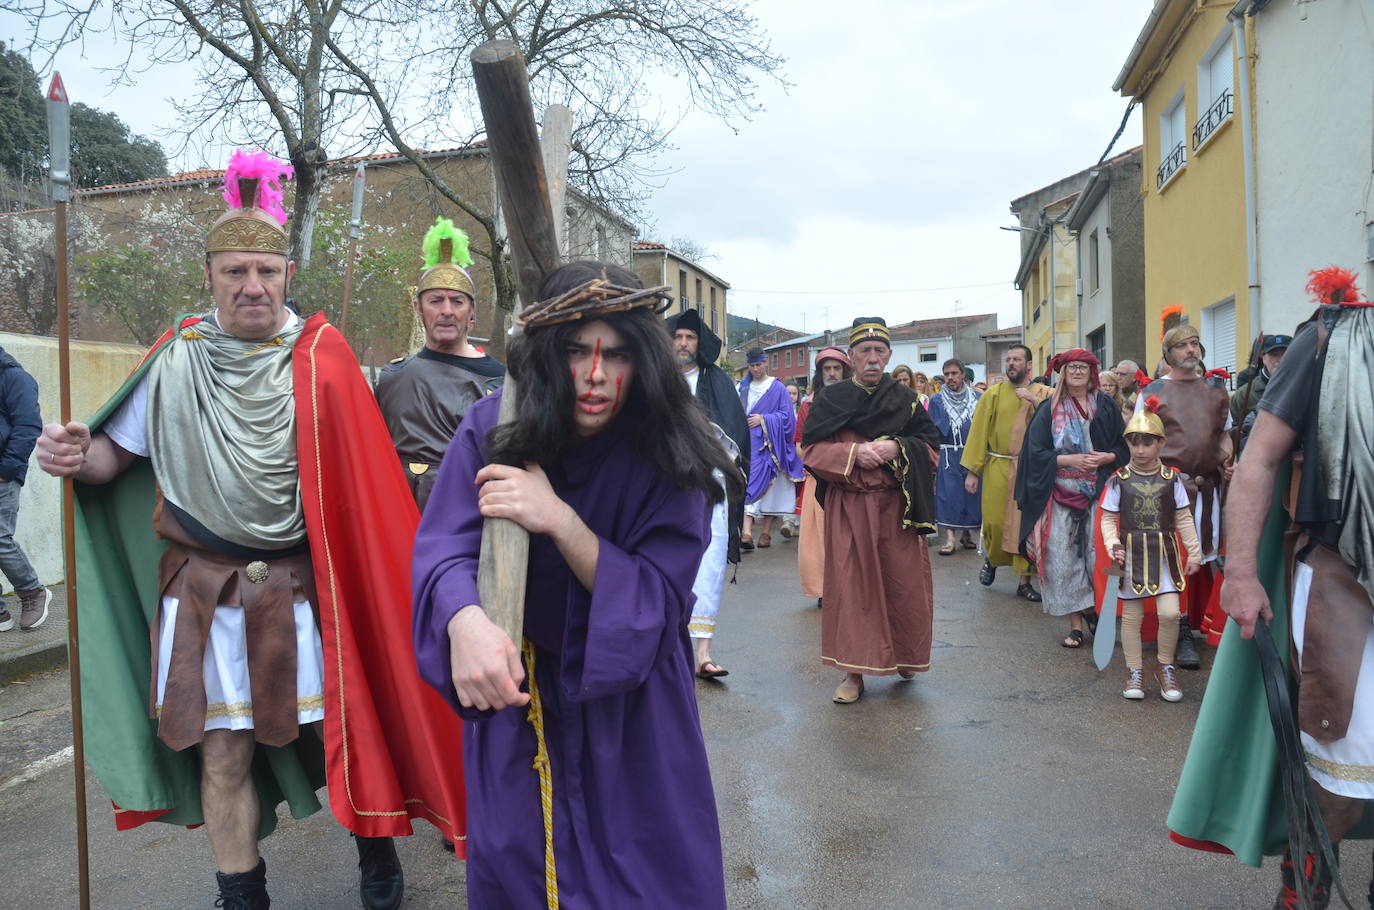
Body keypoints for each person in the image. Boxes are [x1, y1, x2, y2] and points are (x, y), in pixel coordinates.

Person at [35, 151, 464, 910]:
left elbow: (366, 492)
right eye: (235, 272)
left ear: (286, 272)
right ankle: (242, 897)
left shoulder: (324, 359)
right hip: (201, 589)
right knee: (222, 751)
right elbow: (112, 460)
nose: (252, 286)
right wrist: (73, 453)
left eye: (265, 270)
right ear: (210, 275)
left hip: (307, 586)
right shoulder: (176, 359)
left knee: (348, 724)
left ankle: (376, 853)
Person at [412, 262, 735, 908]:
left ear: (642, 360)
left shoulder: (673, 450)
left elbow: (655, 600)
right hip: (522, 711)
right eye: (575, 353)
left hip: (634, 718)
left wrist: (558, 519)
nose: (594, 377)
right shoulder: (489, 429)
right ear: (545, 355)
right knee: (523, 878)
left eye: (615, 356)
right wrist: (463, 620)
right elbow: (444, 547)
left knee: (649, 885)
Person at [1166, 267, 1374, 906]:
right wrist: (1242, 572)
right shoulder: (1329, 342)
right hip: (1343, 575)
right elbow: (1257, 459)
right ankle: (1304, 888)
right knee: (1339, 747)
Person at [800, 318, 939, 704]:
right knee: (853, 588)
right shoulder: (830, 400)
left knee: (903, 586)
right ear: (851, 357)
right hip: (851, 506)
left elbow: (930, 449)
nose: (873, 359)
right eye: (865, 352)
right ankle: (853, 672)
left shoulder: (906, 400)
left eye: (880, 352)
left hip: (898, 507)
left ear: (889, 355)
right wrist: (853, 453)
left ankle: (906, 656)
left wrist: (898, 448)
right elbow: (810, 452)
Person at [374, 218, 505, 511]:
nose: (447, 311)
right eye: (436, 300)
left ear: (472, 312)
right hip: (395, 513)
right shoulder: (392, 377)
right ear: (417, 308)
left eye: (457, 302)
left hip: (464, 515)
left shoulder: (499, 381)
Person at [1135, 321, 1234, 669]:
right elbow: (1140, 442)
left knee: (1204, 556)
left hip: (1208, 489)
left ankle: (1204, 624)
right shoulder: (1153, 392)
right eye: (1183, 346)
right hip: (1170, 489)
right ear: (1169, 354)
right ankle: (1181, 633)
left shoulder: (1216, 391)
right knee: (1173, 559)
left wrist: (1227, 459)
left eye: (1195, 344)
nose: (1191, 350)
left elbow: (1224, 435)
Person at [1016, 350, 1126, 649]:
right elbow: (1035, 453)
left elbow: (1123, 444)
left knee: (1096, 559)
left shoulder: (1105, 406)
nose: (1077, 372)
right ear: (1062, 373)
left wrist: (1109, 456)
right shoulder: (1048, 410)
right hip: (1059, 494)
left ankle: (1095, 611)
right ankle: (1076, 624)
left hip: (1099, 493)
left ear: (1092, 372)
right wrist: (1069, 460)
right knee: (1063, 561)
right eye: (1071, 367)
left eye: (1083, 367)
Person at [1098, 397, 1201, 701]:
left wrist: (1193, 552)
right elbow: (1108, 518)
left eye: (1147, 443)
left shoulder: (1172, 479)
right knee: (1132, 617)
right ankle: (1134, 670)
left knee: (1170, 614)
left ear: (1161, 444)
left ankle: (1165, 667)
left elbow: (1183, 516)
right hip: (1131, 555)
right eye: (1134, 443)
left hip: (1166, 554)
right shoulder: (1120, 480)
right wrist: (1113, 543)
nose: (1140, 450)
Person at [666, 307, 749, 679]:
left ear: (699, 345)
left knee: (709, 558)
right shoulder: (657, 378)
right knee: (663, 556)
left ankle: (702, 653)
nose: (684, 344)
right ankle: (667, 648)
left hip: (707, 480)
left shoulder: (716, 382)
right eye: (679, 337)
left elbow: (733, 432)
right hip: (662, 479)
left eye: (690, 338)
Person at [960, 344, 1051, 602]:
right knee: (995, 523)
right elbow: (978, 431)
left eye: (1017, 359)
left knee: (1026, 526)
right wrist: (972, 471)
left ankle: (1024, 581)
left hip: (1030, 469)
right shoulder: (993, 394)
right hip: (998, 465)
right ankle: (992, 559)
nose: (1011, 363)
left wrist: (1035, 401)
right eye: (1008, 359)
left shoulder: (1045, 393)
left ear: (1029, 365)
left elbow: (1057, 421)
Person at [795, 347, 851, 606]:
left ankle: (852, 587)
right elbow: (800, 444)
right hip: (819, 477)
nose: (832, 373)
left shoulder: (857, 399)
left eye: (836, 368)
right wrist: (823, 463)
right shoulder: (809, 405)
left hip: (852, 477)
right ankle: (823, 588)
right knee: (818, 541)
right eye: (827, 369)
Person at [738, 347, 805, 549]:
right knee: (748, 485)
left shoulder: (776, 388)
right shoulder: (742, 387)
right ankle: (747, 532)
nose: (756, 369)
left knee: (771, 490)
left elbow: (787, 418)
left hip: (772, 446)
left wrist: (764, 419)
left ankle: (766, 533)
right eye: (752, 365)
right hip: (749, 444)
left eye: (759, 364)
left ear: (765, 363)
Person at [0, 344, 47, 632]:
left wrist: (6, 471)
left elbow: (28, 425)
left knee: (0, 540)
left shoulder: (15, 378)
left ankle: (32, 592)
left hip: (2, 474)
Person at [928, 358, 982, 555]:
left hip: (970, 450)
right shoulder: (937, 400)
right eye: (947, 374)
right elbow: (932, 428)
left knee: (970, 494)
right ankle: (950, 538)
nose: (950, 378)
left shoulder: (977, 397)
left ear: (962, 375)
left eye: (954, 373)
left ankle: (966, 534)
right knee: (948, 495)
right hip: (948, 452)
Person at [1230, 333, 1291, 452]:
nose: (1280, 360)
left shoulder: (1306, 388)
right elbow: (1231, 435)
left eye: (1286, 354)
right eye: (1274, 355)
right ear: (1263, 358)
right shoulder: (1244, 394)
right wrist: (1247, 432)